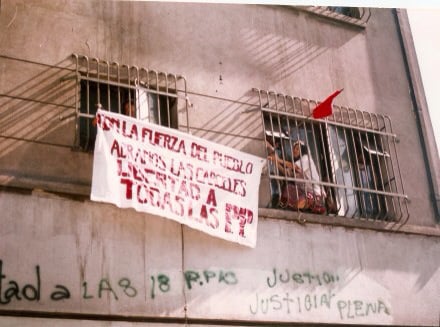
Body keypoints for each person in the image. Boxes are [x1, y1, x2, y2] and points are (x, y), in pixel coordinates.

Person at [268, 140, 326, 213]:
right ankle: (295, 208)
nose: (294, 151)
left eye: (297, 149)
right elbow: (286, 173)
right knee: (288, 189)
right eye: (294, 149)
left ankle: (310, 206)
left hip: (315, 194)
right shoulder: (297, 163)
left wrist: (278, 160)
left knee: (300, 201)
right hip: (304, 192)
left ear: (302, 151)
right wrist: (275, 161)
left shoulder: (306, 158)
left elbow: (295, 167)